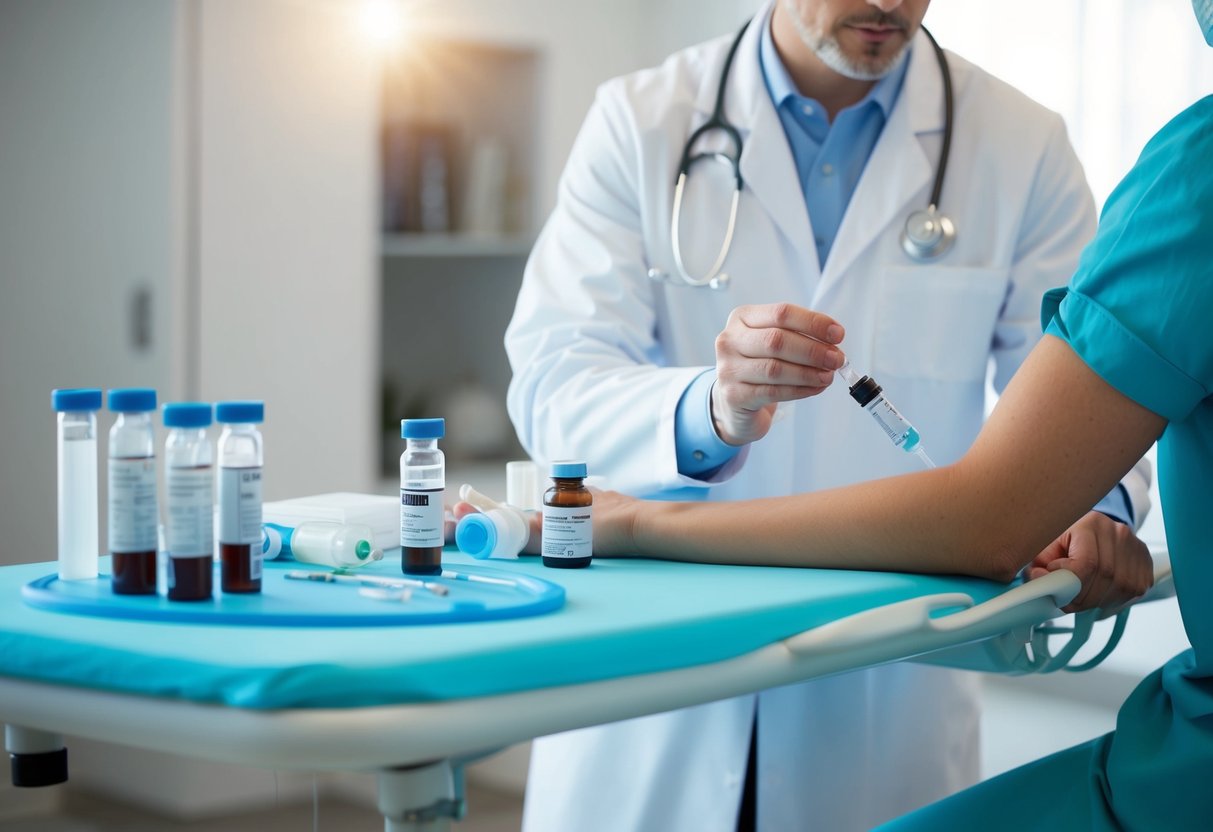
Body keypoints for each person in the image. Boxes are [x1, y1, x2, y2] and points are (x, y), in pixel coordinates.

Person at [504, 1, 1153, 830]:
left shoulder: (1020, 144)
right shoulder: (640, 119)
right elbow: (555, 383)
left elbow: (1088, 376)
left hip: (886, 676)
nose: (888, 3)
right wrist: (712, 406)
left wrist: (1093, 511)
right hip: (655, 682)